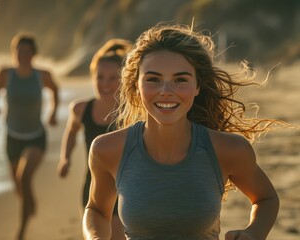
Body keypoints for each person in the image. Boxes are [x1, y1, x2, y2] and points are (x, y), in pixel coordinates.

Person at [83, 23, 284, 240]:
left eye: (180, 80)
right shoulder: (107, 149)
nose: (166, 92)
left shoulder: (228, 149)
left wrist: (253, 233)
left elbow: (266, 199)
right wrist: (95, 238)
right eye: (153, 79)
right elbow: (96, 209)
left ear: (197, 86)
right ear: (136, 85)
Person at [0, 33, 59, 240]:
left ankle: (21, 233)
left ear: (34, 54)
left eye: (27, 52)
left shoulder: (42, 75)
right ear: (13, 53)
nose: (23, 55)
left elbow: (55, 90)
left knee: (23, 178)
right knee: (19, 187)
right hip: (13, 137)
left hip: (36, 137)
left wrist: (53, 113)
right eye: (19, 51)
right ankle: (30, 202)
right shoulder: (4, 74)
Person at [57, 38, 132, 240]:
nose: (105, 84)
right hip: (92, 188)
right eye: (100, 77)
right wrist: (65, 158)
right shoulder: (81, 109)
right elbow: (71, 132)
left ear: (123, 80)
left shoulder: (132, 114)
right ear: (92, 78)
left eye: (112, 78)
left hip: (125, 191)